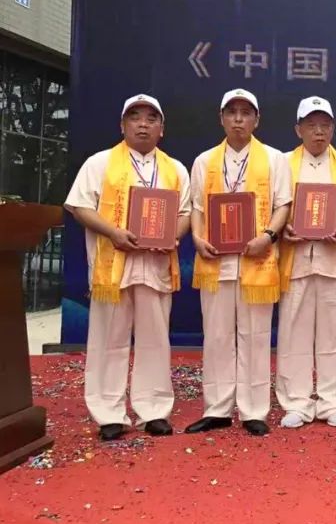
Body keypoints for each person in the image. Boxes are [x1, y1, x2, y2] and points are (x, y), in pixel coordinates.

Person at [65, 94, 190, 441]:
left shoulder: (175, 169)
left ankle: (154, 411)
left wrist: (172, 236)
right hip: (113, 266)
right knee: (109, 340)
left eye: (151, 118)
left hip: (155, 265)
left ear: (162, 129)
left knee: (155, 340)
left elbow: (185, 213)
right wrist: (113, 232)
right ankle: (109, 413)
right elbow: (79, 207)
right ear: (122, 125)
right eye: (135, 117)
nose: (143, 124)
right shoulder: (100, 163)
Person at [186, 89, 291, 437]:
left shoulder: (274, 159)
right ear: (221, 118)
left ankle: (253, 410)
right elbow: (197, 208)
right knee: (216, 336)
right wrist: (197, 238)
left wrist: (268, 236)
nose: (238, 119)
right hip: (216, 262)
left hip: (256, 259)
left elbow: (283, 205)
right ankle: (216, 409)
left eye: (246, 113)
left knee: (255, 337)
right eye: (231, 112)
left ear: (257, 120)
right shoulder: (204, 161)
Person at [275, 97, 336, 430]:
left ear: (333, 129)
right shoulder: (282, 164)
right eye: (311, 125)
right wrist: (283, 228)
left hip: (335, 259)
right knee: (293, 332)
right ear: (298, 129)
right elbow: (273, 207)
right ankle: (296, 402)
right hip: (295, 260)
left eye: (325, 125)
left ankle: (333, 401)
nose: (318, 131)